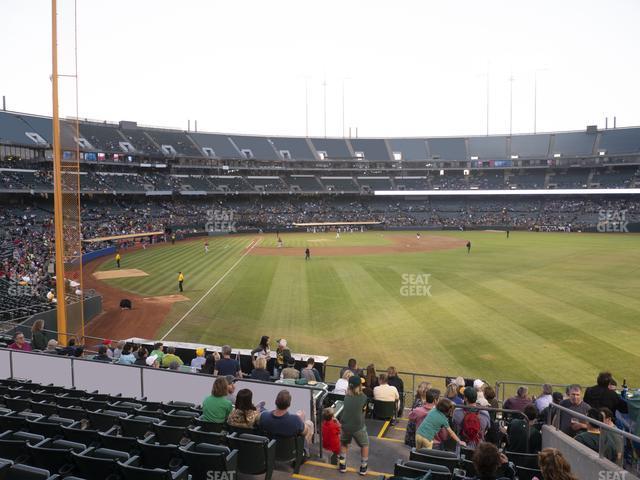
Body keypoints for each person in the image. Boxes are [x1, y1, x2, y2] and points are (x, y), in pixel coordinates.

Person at [338, 375, 369, 475]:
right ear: (359, 386)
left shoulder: (346, 397)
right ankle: (363, 467)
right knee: (365, 445)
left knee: (344, 443)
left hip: (345, 425)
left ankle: (342, 465)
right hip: (357, 427)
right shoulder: (363, 397)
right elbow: (363, 408)